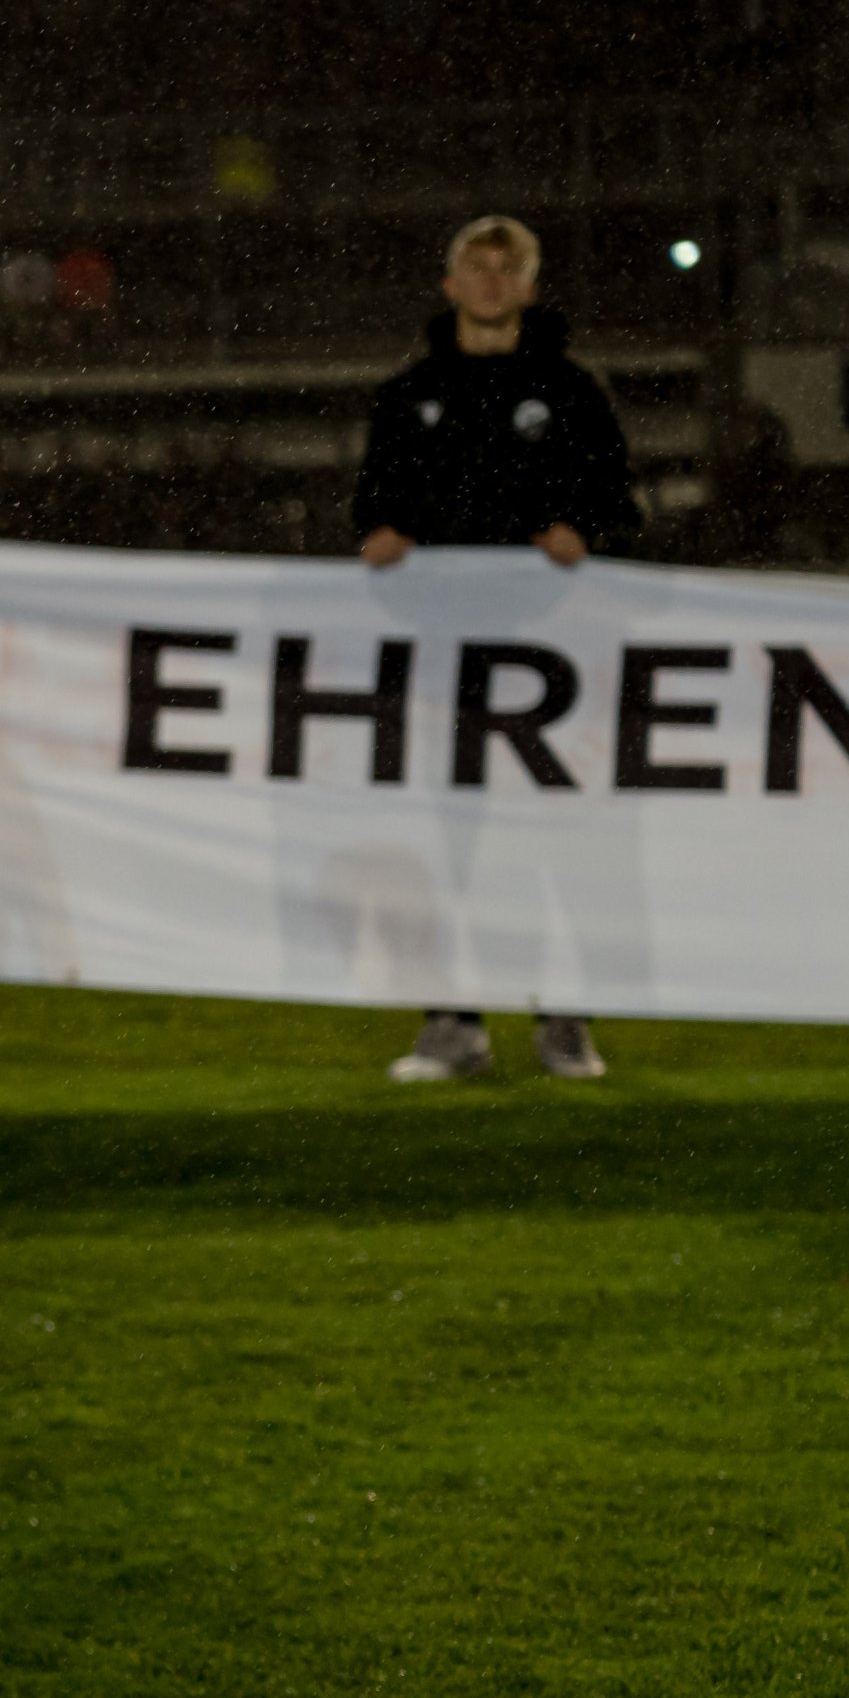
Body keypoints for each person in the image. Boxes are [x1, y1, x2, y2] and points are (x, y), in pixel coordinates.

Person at [354, 214, 633, 1087]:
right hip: (442, 665)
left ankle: (564, 1017)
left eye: (506, 267)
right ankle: (454, 1020)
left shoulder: (575, 390)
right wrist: (378, 534)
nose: (489, 279)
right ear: (448, 284)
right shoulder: (407, 395)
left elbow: (621, 509)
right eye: (475, 264)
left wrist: (582, 534)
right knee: (449, 846)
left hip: (549, 666)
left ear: (528, 287)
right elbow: (367, 510)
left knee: (557, 840)